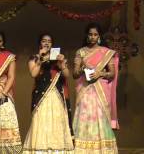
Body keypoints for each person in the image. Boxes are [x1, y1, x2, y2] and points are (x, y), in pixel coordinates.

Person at [23, 33, 74, 154]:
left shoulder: (58, 58)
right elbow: (33, 74)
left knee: (56, 121)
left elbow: (67, 75)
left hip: (56, 96)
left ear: (52, 44)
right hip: (41, 96)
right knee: (41, 121)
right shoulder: (34, 58)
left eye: (49, 41)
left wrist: (62, 65)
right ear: (40, 43)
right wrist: (40, 60)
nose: (46, 43)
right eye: (44, 41)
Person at [73, 23, 119, 154]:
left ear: (99, 36)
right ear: (87, 36)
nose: (93, 37)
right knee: (84, 118)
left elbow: (112, 73)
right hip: (85, 91)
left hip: (100, 92)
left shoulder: (106, 52)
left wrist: (100, 73)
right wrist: (82, 68)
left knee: (100, 118)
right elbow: (75, 74)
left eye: (95, 34)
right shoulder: (80, 52)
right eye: (90, 34)